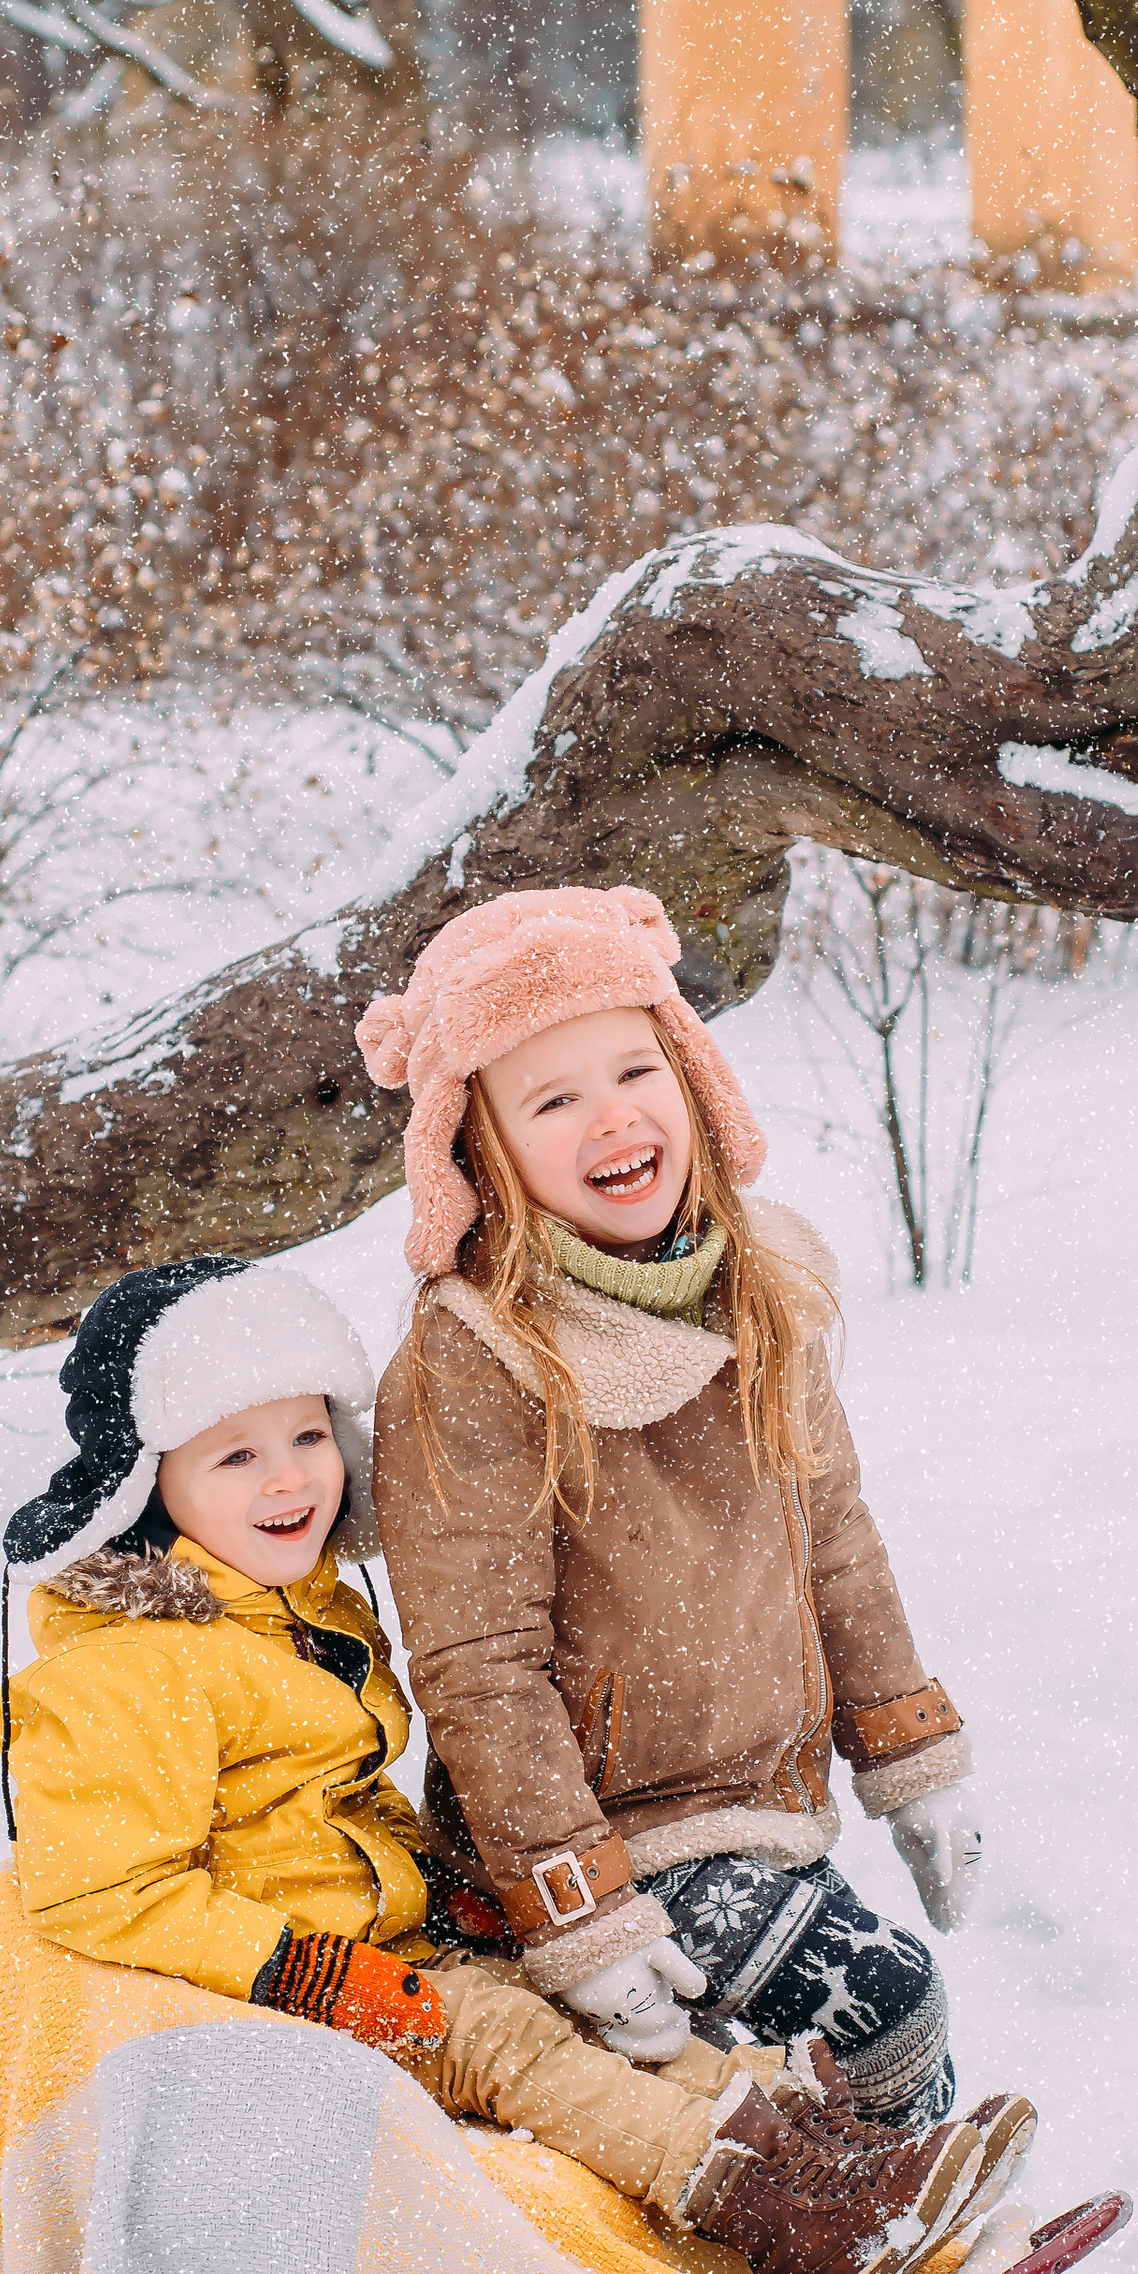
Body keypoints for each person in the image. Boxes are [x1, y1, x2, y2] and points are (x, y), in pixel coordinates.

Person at [0, 1250, 1023, 2274]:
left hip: (393, 1942)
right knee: (512, 2047)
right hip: (289, 1987)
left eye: (305, 1437)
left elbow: (329, 1817)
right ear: (152, 1484)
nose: (288, 1478)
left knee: (576, 2017)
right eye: (235, 1456)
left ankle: (820, 2159)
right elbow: (97, 1893)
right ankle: (779, 2217)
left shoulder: (296, 1613)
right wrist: (307, 1971)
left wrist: (438, 1891)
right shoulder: (123, 1668)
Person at [362, 885, 1031, 2183]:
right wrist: (580, 1911)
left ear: (694, 1076)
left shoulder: (760, 1285)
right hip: (611, 1838)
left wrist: (914, 1755)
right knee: (882, 2004)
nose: (613, 1113)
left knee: (874, 2065)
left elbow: (833, 1534)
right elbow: (478, 1669)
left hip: (765, 1809)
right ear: (478, 1147)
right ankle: (839, 2250)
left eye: (635, 1066)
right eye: (551, 1098)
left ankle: (884, 2247)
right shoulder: (476, 1357)